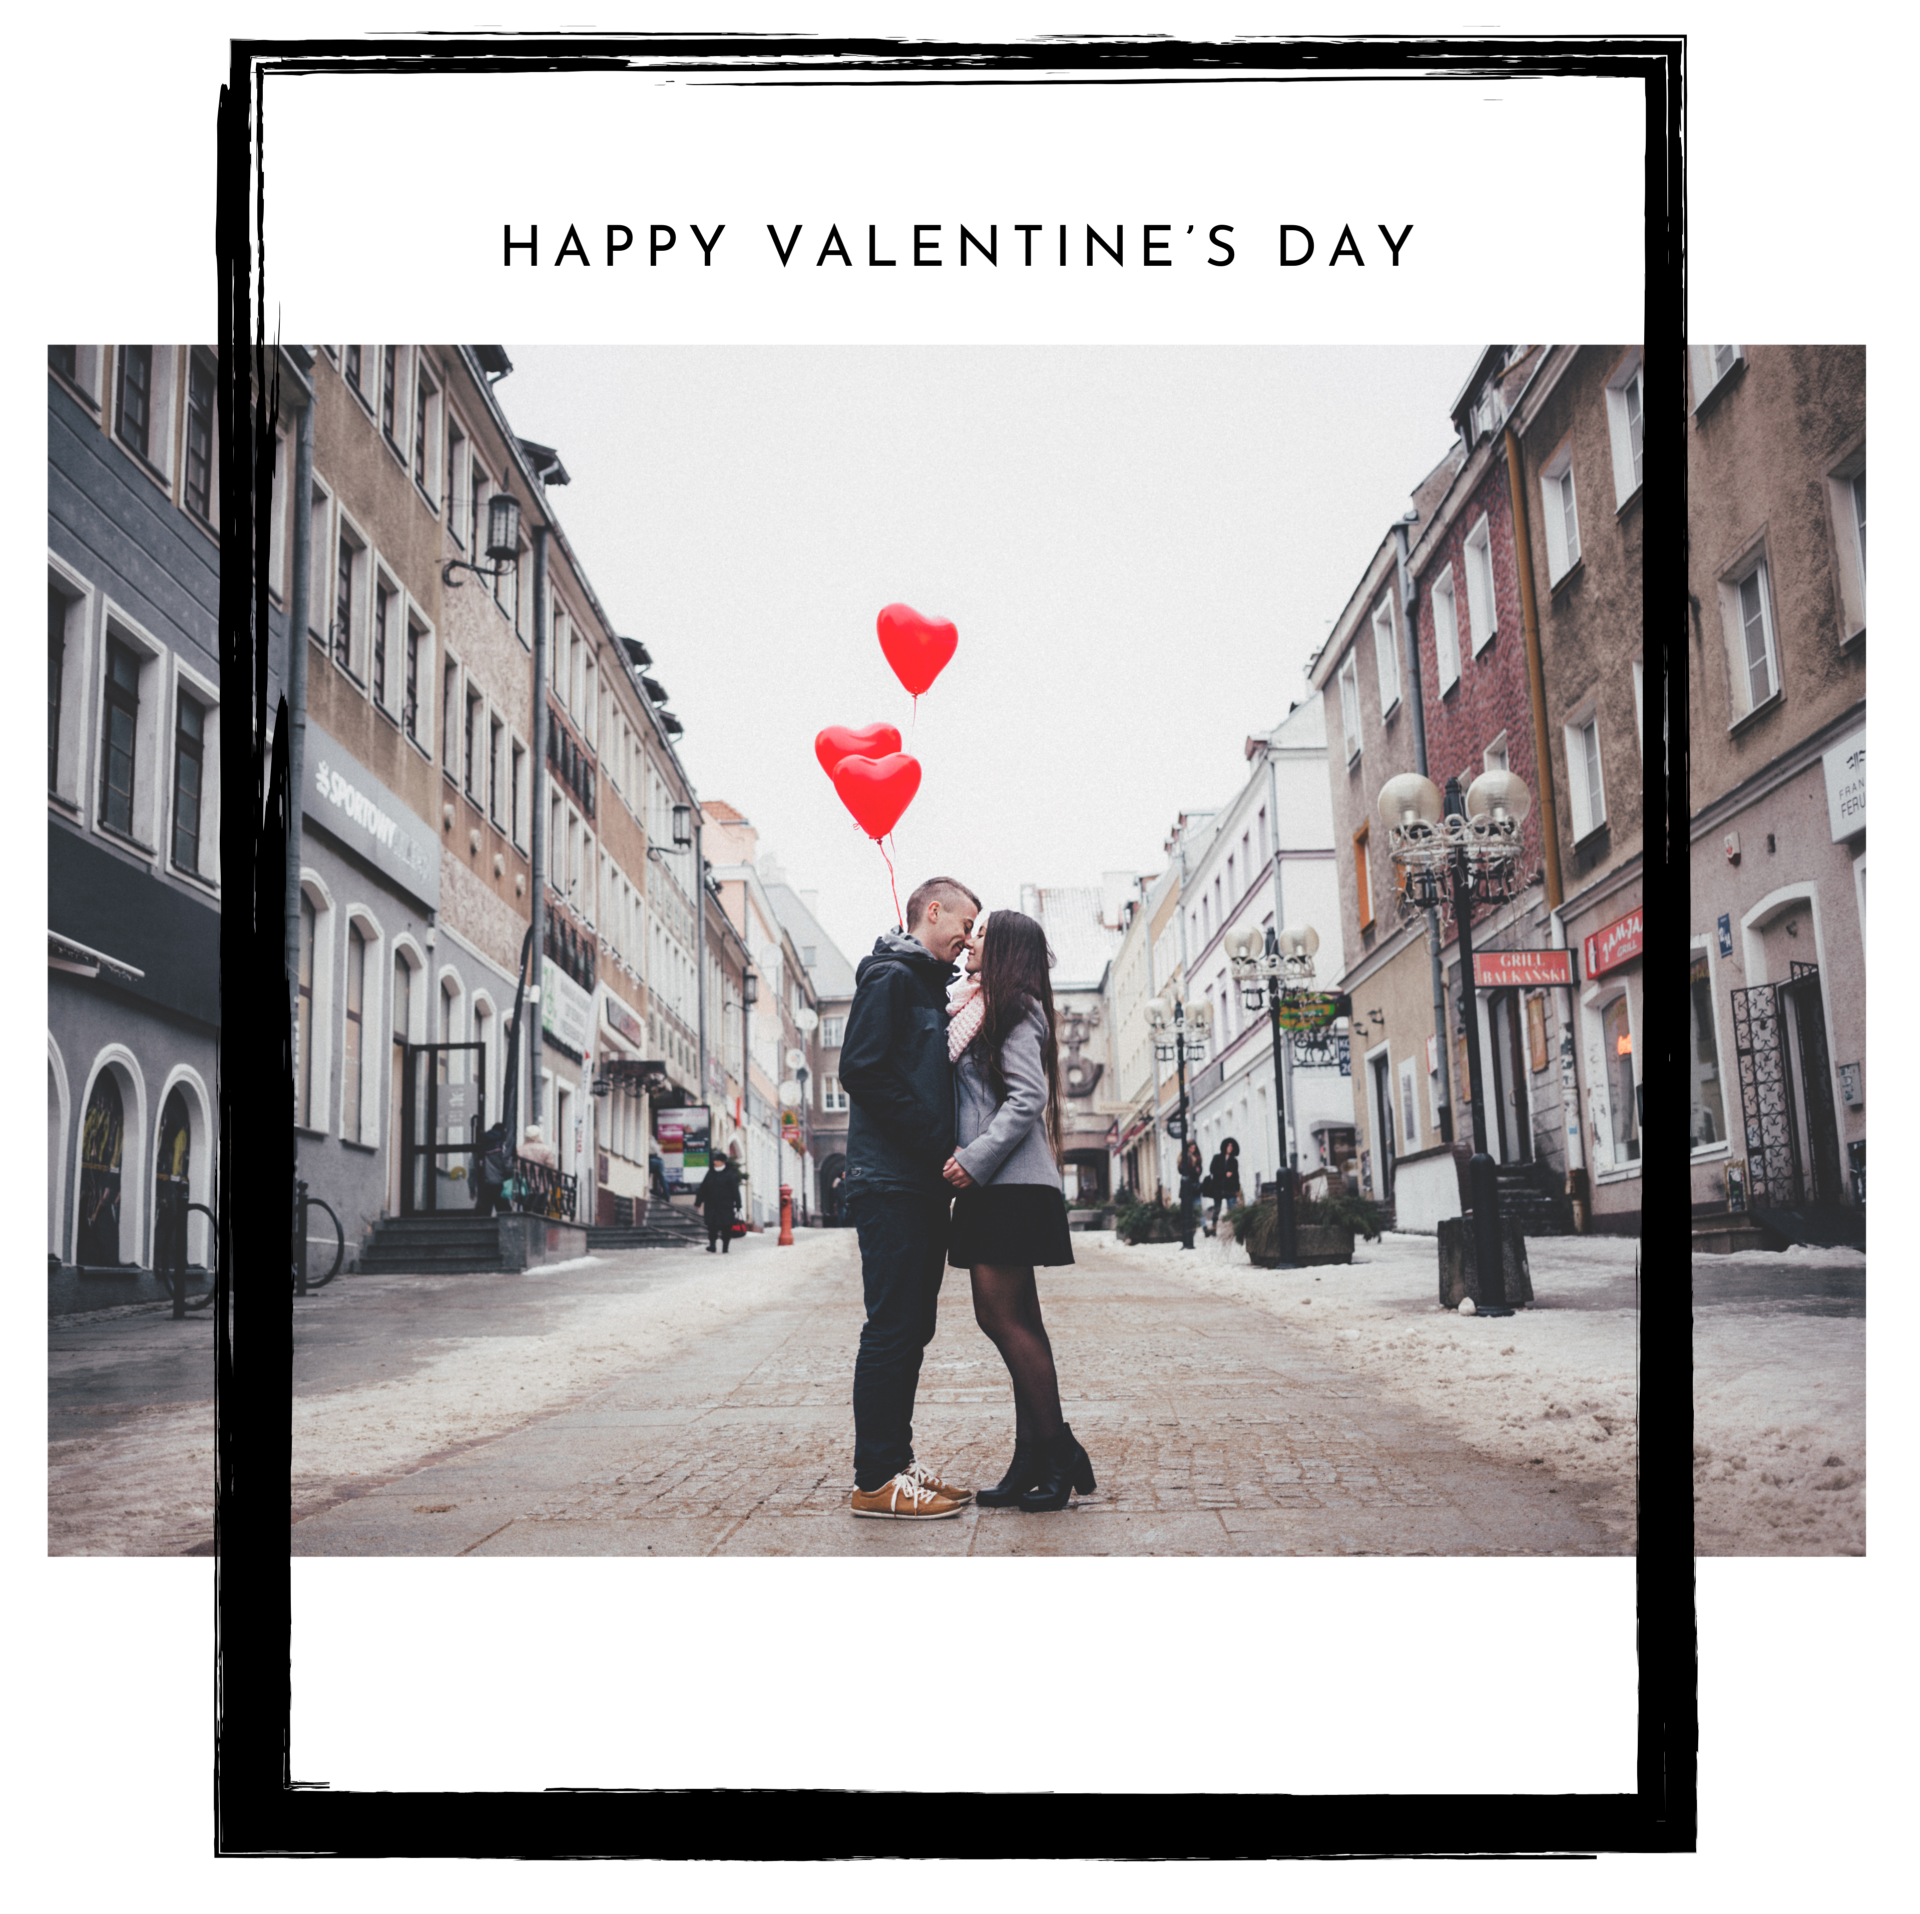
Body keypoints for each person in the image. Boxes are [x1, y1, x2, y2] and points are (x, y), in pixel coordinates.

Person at [943, 908, 1096, 1514]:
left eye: (980, 935)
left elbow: (1028, 1096)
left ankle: (1057, 1453)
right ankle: (1034, 1457)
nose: (968, 942)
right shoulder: (977, 1006)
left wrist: (974, 1159)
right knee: (1020, 1323)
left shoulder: (1017, 1007)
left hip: (1006, 1184)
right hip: (998, 1184)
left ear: (1004, 947)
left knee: (1002, 1321)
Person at [839, 876, 980, 1519]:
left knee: (911, 1328)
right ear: (933, 910)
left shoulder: (926, 986)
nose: (969, 939)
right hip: (890, 1180)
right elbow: (861, 1069)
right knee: (893, 1328)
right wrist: (933, 1142)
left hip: (917, 1182)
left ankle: (898, 1465)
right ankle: (876, 1479)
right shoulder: (891, 979)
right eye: (965, 924)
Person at [696, 1152, 741, 1253]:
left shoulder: (729, 1174)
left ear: (722, 1162)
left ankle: (725, 1248)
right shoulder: (710, 1173)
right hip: (711, 1205)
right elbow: (703, 1188)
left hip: (725, 1206)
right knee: (712, 1227)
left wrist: (738, 1204)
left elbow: (735, 1190)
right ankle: (712, 1246)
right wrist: (698, 1202)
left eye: (717, 1160)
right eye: (714, 1160)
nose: (714, 1162)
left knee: (726, 1228)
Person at [1206, 1136, 1243, 1236]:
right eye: (1228, 1146)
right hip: (1218, 1188)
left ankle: (1233, 1229)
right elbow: (1212, 1170)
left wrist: (1237, 1188)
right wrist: (1224, 1174)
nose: (1230, 1148)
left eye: (1232, 1146)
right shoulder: (1217, 1158)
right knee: (1217, 1209)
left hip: (1229, 1188)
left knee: (1232, 1209)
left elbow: (1236, 1175)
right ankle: (1214, 1228)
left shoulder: (1234, 1161)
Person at [1177, 1140, 1203, 1250]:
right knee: (1187, 1209)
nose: (1192, 1150)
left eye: (1194, 1148)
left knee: (1197, 1207)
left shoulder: (1197, 1158)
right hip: (1187, 1187)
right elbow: (1182, 1170)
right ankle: (1191, 1231)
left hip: (1195, 1186)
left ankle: (1204, 1226)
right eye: (1191, 1148)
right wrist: (1193, 1170)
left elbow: (1198, 1171)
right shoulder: (1184, 1158)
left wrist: (1193, 1170)